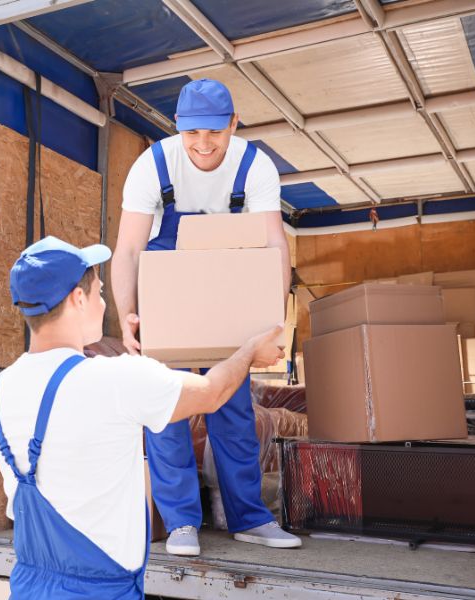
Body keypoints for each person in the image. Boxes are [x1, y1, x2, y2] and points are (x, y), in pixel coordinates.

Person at [0, 236, 284, 599]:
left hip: (30, 586)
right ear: (77, 299)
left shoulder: (0, 390)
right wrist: (250, 350)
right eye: (98, 292)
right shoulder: (115, 378)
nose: (103, 303)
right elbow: (212, 392)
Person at [111, 78, 300, 556]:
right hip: (167, 290)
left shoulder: (254, 166)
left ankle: (249, 518)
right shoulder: (152, 164)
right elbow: (129, 247)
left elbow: (274, 244)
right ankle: (180, 524)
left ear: (233, 125)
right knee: (168, 409)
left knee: (232, 410)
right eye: (192, 133)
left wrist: (270, 320)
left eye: (214, 132)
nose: (203, 144)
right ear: (177, 127)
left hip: (226, 288)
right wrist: (127, 315)